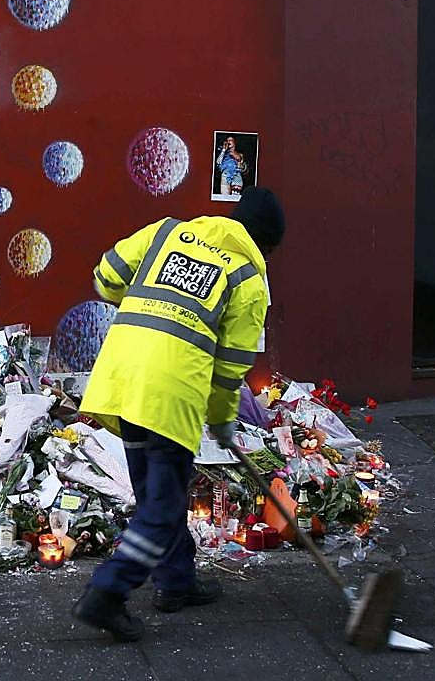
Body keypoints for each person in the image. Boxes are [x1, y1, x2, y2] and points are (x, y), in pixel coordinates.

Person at [72, 187, 285, 642]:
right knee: (163, 506)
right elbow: (230, 368)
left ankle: (176, 580)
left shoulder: (168, 232)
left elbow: (106, 277)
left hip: (122, 379)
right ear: (265, 244)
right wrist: (225, 419)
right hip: (170, 395)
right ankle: (107, 594)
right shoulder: (248, 277)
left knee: (154, 493)